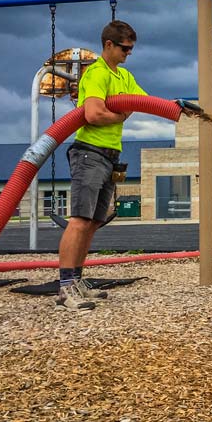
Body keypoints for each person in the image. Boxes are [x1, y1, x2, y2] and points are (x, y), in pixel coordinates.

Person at [56, 20, 147, 310]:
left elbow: (143, 103)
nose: (128, 53)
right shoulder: (96, 74)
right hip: (89, 152)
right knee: (80, 219)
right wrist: (120, 116)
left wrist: (174, 106)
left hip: (109, 155)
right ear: (108, 44)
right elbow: (94, 114)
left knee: (94, 222)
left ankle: (77, 280)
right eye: (124, 48)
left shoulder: (124, 76)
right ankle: (65, 287)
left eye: (131, 49)